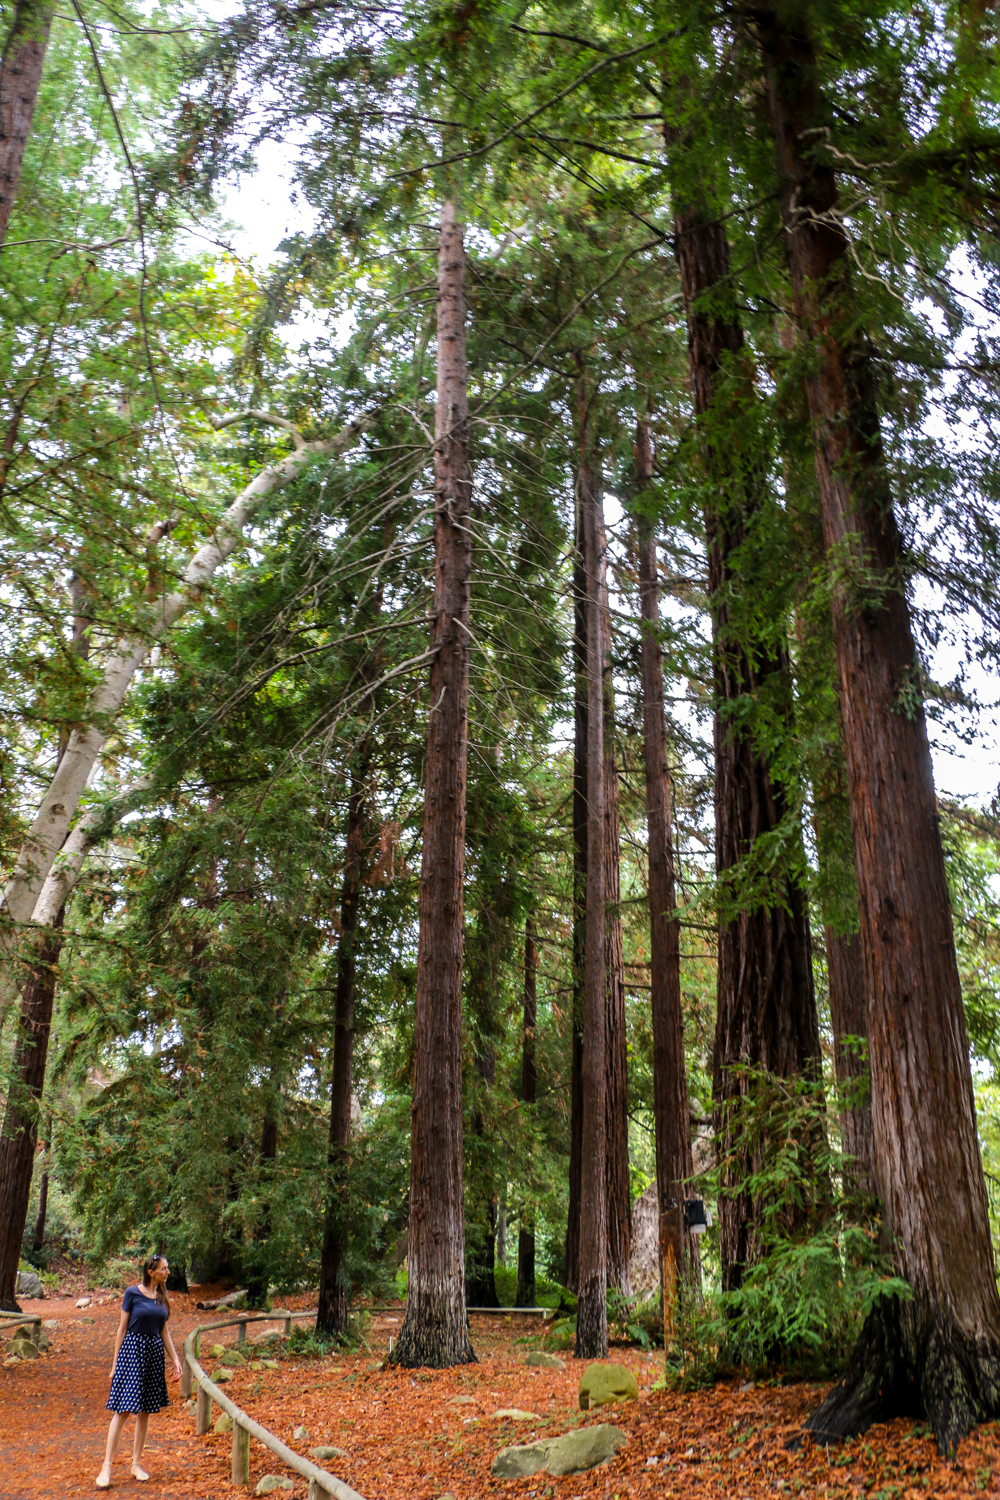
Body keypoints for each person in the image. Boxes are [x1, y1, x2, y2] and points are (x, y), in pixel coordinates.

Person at [96, 1254, 182, 1488]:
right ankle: (106, 1467)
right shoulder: (132, 1293)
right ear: (151, 1271)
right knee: (123, 1410)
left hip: (153, 1354)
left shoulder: (162, 1298)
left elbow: (164, 1331)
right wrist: (115, 1364)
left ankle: (135, 1463)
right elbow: (121, 1329)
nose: (168, 1272)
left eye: (168, 1268)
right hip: (132, 1352)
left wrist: (175, 1359)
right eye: (164, 1268)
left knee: (145, 1411)